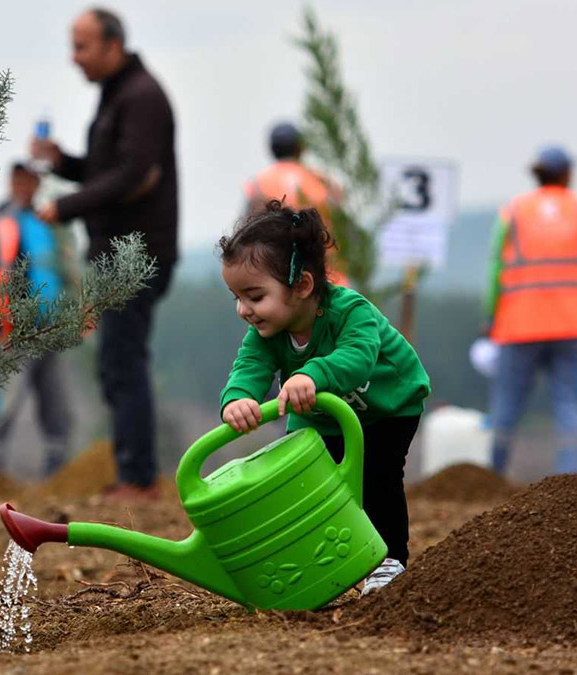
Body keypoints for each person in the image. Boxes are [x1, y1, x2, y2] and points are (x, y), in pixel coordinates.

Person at [217, 200, 431, 595]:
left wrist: (312, 374)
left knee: (377, 476)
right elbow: (249, 367)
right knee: (302, 481)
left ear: (302, 286)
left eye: (254, 296)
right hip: (321, 415)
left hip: (388, 406)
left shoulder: (350, 311)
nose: (243, 310)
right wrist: (238, 399)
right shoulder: (267, 332)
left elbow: (358, 359)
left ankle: (389, 562)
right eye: (237, 297)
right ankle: (314, 563)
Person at [30, 7, 178, 500]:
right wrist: (64, 163)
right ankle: (133, 472)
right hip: (117, 253)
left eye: (82, 46)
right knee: (115, 362)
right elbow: (107, 172)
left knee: (123, 361)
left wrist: (65, 205)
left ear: (113, 46)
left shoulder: (142, 97)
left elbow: (134, 174)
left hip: (138, 256)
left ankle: (139, 479)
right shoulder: (120, 96)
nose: (74, 58)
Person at [484, 145, 577, 477]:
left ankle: (491, 475)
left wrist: (490, 315)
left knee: (506, 405)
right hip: (573, 324)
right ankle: (573, 478)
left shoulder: (512, 212)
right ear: (567, 173)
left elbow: (496, 267)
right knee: (568, 403)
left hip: (518, 324)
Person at [0, 162, 74, 476]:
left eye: (31, 180)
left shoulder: (49, 224)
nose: (25, 186)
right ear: (11, 180)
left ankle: (58, 477)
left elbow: (65, 273)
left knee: (59, 413)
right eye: (19, 179)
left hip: (50, 331)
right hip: (8, 336)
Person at [243, 122, 348, 286]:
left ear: (271, 148)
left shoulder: (258, 183)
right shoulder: (322, 180)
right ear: (300, 147)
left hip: (281, 275)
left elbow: (248, 229)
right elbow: (342, 221)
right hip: (326, 272)